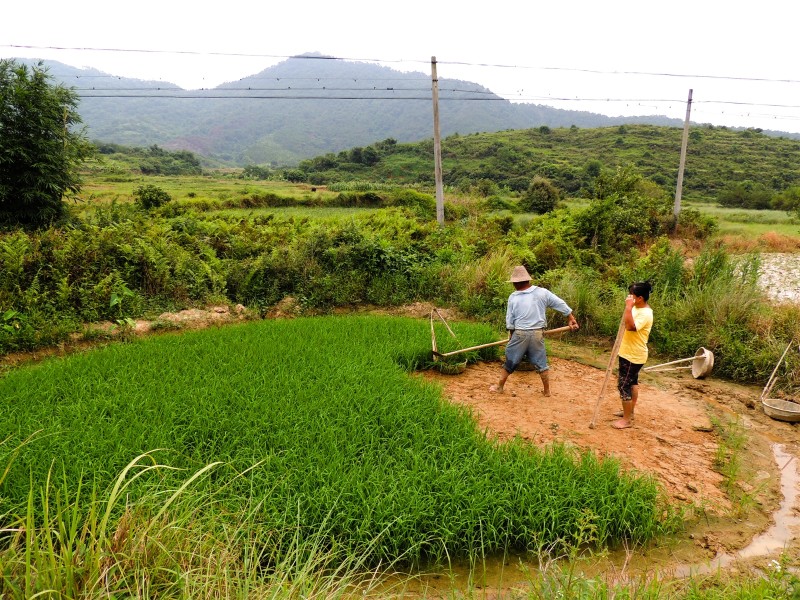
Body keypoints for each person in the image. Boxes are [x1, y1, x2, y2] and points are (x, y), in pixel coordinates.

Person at [489, 265, 579, 397]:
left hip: (520, 334)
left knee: (510, 360)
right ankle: (547, 391)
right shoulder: (542, 292)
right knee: (541, 362)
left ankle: (499, 387)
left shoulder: (513, 297)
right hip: (537, 334)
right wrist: (570, 317)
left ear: (515, 283)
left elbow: (510, 320)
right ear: (528, 280)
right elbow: (559, 303)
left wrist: (511, 336)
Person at [612, 282, 654, 430]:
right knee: (632, 383)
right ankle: (629, 412)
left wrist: (628, 306)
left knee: (623, 385)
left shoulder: (645, 314)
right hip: (627, 353)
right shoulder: (637, 307)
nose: (629, 298)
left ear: (640, 298)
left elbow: (630, 327)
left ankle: (626, 420)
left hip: (633, 356)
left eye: (632, 296)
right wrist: (630, 307)